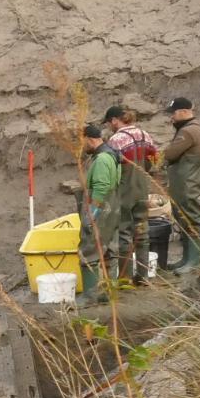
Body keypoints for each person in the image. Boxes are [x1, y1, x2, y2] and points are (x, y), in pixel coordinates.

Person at [104, 105, 161, 281]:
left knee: (124, 233)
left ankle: (125, 277)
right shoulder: (146, 135)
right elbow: (155, 162)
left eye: (109, 123)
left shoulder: (116, 140)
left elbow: (111, 168)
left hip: (124, 192)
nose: (109, 126)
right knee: (142, 231)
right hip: (142, 189)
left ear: (115, 120)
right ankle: (143, 276)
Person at [162, 96, 200, 272]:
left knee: (191, 219)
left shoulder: (189, 131)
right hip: (184, 184)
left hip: (187, 184)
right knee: (184, 220)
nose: (171, 118)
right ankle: (186, 259)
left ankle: (194, 261)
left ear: (183, 112)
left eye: (173, 114)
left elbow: (170, 154)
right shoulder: (190, 129)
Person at [78, 124, 124, 303]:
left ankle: (90, 296)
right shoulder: (111, 154)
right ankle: (107, 293)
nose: (82, 146)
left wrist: (92, 213)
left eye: (83, 142)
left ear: (90, 139)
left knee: (90, 249)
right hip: (112, 209)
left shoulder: (103, 159)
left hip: (102, 209)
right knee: (108, 250)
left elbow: (101, 187)